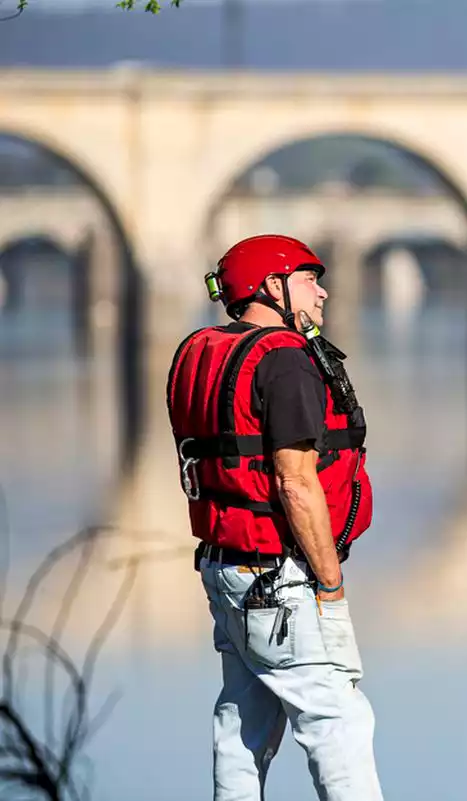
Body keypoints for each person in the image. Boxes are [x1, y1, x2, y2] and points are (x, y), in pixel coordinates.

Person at [166, 234, 382, 801]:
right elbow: (295, 481)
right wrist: (330, 584)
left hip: (225, 568)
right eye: (311, 279)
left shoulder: (199, 350)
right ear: (272, 286)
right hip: (279, 577)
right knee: (337, 721)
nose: (324, 292)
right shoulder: (285, 361)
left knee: (244, 723)